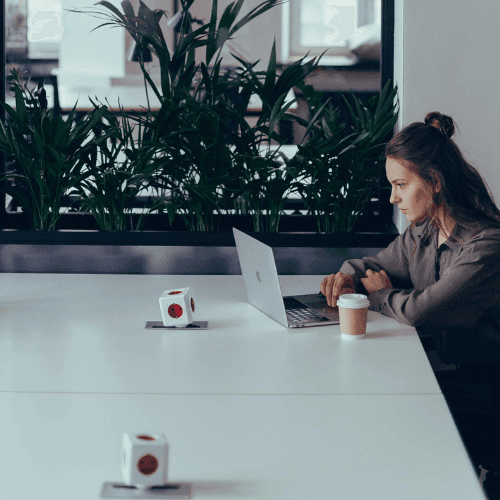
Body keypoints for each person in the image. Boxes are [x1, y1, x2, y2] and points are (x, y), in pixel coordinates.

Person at [320, 111, 500, 483]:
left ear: (435, 181)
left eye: (400, 184)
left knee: (383, 408)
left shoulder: (486, 247)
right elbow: (372, 265)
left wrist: (380, 294)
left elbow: (421, 311)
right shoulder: (424, 231)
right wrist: (346, 276)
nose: (393, 198)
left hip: (488, 388)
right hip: (450, 374)